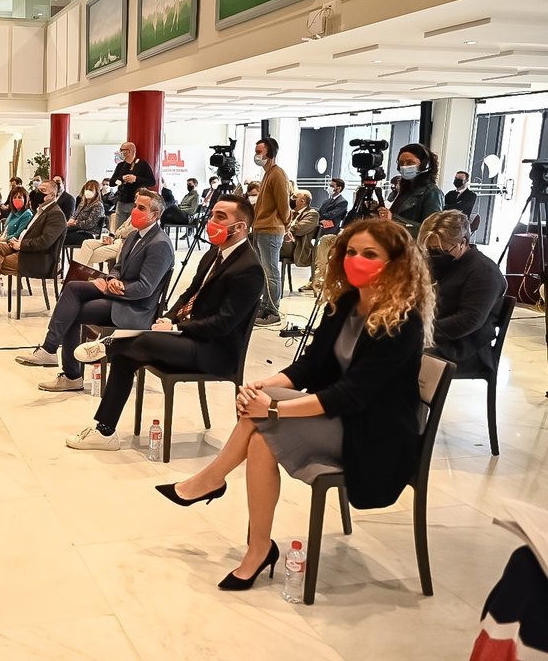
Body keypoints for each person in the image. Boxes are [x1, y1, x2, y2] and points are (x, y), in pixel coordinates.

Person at [156, 218, 435, 591]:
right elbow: (311, 366)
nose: (356, 259)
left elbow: (351, 394)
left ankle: (215, 488)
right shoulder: (346, 303)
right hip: (343, 417)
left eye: (370, 254)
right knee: (258, 435)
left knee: (263, 422)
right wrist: (263, 385)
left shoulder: (403, 322)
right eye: (351, 252)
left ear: (396, 263)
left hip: (377, 437)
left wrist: (271, 409)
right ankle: (253, 542)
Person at [62, 195, 264, 448]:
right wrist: (167, 319)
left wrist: (178, 327)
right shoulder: (214, 254)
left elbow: (224, 324)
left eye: (221, 217)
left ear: (241, 227)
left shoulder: (249, 268)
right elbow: (188, 295)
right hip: (190, 337)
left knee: (144, 340)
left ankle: (110, 346)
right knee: (129, 356)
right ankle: (105, 431)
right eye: (212, 215)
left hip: (215, 351)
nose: (212, 221)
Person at [16, 189, 175, 391]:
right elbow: (118, 268)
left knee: (72, 313)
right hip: (119, 294)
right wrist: (111, 279)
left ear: (155, 215)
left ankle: (70, 373)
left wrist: (111, 288)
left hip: (134, 306)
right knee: (73, 288)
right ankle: (50, 350)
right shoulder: (135, 235)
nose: (134, 211)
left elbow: (145, 288)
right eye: (135, 206)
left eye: (141, 208)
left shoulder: (159, 244)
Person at [0, 179, 66, 318]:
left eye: (43, 191)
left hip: (37, 259)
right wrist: (16, 241)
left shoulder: (56, 214)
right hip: (23, 248)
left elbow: (45, 242)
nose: (37, 193)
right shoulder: (40, 210)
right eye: (38, 190)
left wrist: (21, 245)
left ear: (52, 196)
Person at [418, 211, 506, 372]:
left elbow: (469, 320)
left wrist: (420, 332)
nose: (434, 255)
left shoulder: (483, 271)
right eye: (430, 249)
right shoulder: (443, 264)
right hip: (436, 336)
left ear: (463, 242)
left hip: (463, 347)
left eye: (441, 249)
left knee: (396, 354)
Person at [250, 138, 291, 326]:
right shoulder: (267, 174)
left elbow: (284, 205)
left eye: (260, 151)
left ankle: (273, 311)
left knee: (271, 271)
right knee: (264, 271)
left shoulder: (278, 174)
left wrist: (287, 224)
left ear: (270, 153)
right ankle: (265, 305)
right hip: (261, 228)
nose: (257, 155)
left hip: (271, 229)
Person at [378, 143, 443, 238]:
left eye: (410, 163)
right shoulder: (406, 189)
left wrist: (394, 219)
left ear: (424, 165)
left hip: (413, 249)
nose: (404, 166)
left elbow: (432, 231)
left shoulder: (432, 192)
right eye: (401, 163)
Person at [109, 142, 156, 226]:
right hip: (121, 201)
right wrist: (122, 178)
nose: (120, 152)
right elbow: (111, 182)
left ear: (129, 151)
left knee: (133, 227)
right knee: (119, 228)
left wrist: (136, 179)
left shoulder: (142, 164)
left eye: (122, 150)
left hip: (136, 202)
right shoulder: (120, 165)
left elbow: (152, 182)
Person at [281, 190, 319, 271]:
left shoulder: (312, 214)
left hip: (296, 247)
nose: (291, 199)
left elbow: (299, 229)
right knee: (260, 239)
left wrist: (282, 230)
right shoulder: (291, 213)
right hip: (284, 242)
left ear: (302, 201)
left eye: (294, 197)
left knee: (265, 244)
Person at [64, 179, 107, 247]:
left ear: (96, 192)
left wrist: (75, 223)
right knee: (57, 233)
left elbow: (89, 224)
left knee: (61, 237)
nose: (87, 192)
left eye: (91, 190)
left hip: (87, 234)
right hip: (76, 230)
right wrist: (70, 221)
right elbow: (75, 215)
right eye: (86, 189)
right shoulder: (82, 203)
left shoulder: (98, 205)